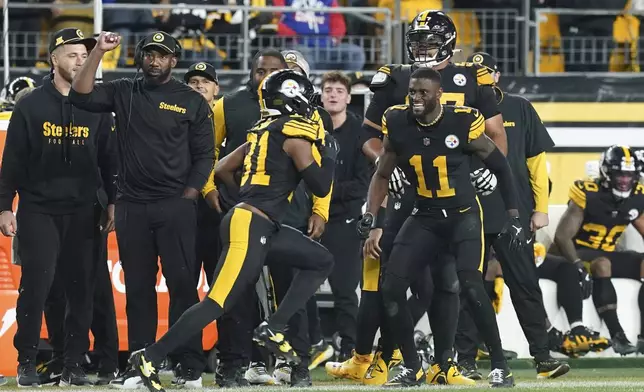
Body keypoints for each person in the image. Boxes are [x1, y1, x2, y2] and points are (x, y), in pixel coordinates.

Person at [326, 10, 509, 386]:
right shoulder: (395, 77)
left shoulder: (473, 76)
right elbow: (370, 138)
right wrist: (386, 166)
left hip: (456, 195)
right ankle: (373, 358)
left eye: (429, 41)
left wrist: (485, 170)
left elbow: (494, 135)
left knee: (447, 283)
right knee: (381, 279)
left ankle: (442, 363)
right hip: (406, 193)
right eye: (417, 42)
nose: (422, 48)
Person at [129, 69, 336, 392]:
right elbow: (321, 183)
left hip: (258, 221)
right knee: (217, 302)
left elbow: (223, 167)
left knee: (320, 260)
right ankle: (150, 356)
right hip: (253, 224)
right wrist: (330, 152)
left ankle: (274, 326)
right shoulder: (295, 137)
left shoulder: (262, 130)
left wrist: (246, 196)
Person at [357, 67, 525, 387]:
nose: (416, 98)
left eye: (423, 92)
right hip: (424, 214)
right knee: (391, 288)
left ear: (438, 95)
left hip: (462, 215)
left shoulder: (462, 121)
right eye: (412, 92)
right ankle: (411, 366)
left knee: (472, 285)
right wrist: (372, 215)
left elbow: (502, 168)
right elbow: (381, 174)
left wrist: (514, 215)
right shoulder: (396, 120)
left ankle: (500, 364)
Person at [68, 30, 214, 387]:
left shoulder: (190, 99)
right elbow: (80, 94)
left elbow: (205, 155)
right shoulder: (123, 90)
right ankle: (140, 363)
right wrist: (99, 51)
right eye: (149, 54)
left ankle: (189, 365)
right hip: (132, 206)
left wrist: (188, 197)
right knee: (138, 290)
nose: (154, 60)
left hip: (175, 207)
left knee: (182, 288)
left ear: (173, 61)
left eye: (162, 55)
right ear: (140, 58)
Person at [0, 28, 116, 387]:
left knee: (82, 290)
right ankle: (27, 362)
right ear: (53, 59)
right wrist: (4, 207)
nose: (80, 61)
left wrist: (113, 202)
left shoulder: (98, 103)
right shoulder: (30, 105)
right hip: (39, 209)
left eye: (85, 55)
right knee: (36, 287)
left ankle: (73, 364)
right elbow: (13, 161)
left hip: (84, 210)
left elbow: (108, 159)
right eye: (72, 54)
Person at [453, 52, 568, 380]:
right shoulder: (456, 111)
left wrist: (541, 209)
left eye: (486, 72)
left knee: (525, 284)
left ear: (497, 75)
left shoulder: (519, 107)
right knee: (470, 285)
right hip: (468, 209)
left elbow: (536, 161)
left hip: (511, 209)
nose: (482, 78)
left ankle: (543, 358)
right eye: (475, 73)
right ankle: (465, 360)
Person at [201, 49, 289, 387]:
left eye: (274, 70)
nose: (265, 76)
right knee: (237, 290)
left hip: (285, 213)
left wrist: (319, 210)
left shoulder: (301, 107)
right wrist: (211, 190)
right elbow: (209, 152)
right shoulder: (228, 104)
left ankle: (290, 362)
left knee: (286, 287)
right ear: (250, 73)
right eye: (259, 70)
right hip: (239, 211)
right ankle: (237, 363)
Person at [551, 145, 644, 355]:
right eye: (620, 174)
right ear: (606, 172)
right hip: (579, 251)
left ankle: (643, 338)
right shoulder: (589, 193)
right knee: (603, 264)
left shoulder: (637, 196)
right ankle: (617, 335)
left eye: (630, 175)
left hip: (609, 251)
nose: (624, 180)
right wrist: (575, 264)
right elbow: (562, 236)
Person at [316, 70, 371, 359]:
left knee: (346, 290)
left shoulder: (360, 132)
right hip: (311, 220)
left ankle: (350, 350)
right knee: (300, 286)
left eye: (338, 90)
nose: (333, 94)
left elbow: (361, 185)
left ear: (349, 97)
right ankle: (307, 347)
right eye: (328, 89)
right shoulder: (311, 129)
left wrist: (322, 189)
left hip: (343, 221)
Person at [533, 245, 612, 358]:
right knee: (525, 278)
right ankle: (550, 334)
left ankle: (578, 329)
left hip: (528, 250)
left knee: (567, 268)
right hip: (507, 254)